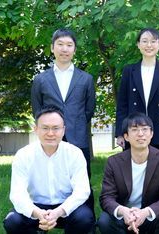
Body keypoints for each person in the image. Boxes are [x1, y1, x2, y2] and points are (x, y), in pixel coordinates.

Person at [3, 106, 94, 234]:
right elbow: (17, 194)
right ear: (36, 129)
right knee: (12, 221)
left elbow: (82, 191)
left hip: (65, 207)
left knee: (85, 218)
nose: (50, 133)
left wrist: (58, 212)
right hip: (36, 206)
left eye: (56, 128)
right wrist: (37, 213)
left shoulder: (75, 154)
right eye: (45, 128)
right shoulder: (23, 155)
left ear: (63, 130)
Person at [98, 112, 159, 234]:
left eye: (145, 129)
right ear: (126, 136)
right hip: (125, 217)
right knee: (104, 220)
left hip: (150, 216)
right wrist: (123, 211)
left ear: (151, 134)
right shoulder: (114, 162)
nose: (140, 134)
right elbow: (106, 197)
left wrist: (145, 212)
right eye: (135, 130)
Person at [31, 28, 95, 176]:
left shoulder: (86, 79)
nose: (64, 49)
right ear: (52, 48)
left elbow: (89, 109)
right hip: (50, 137)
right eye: (60, 44)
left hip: (78, 137)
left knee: (82, 178)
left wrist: (76, 122)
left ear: (74, 49)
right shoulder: (41, 79)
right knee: (51, 176)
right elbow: (37, 109)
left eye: (69, 45)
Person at [115, 28, 159, 152]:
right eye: (144, 41)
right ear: (138, 44)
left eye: (153, 41)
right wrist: (120, 133)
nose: (149, 45)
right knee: (132, 169)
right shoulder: (129, 71)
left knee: (158, 170)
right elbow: (122, 105)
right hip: (133, 130)